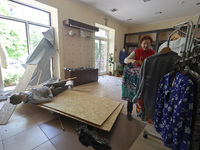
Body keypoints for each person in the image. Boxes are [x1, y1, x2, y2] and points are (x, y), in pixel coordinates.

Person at [122, 35, 155, 120]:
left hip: (146, 78)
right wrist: (132, 60)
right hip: (134, 78)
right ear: (141, 44)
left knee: (144, 96)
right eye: (144, 43)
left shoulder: (153, 53)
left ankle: (141, 113)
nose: (146, 45)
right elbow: (125, 60)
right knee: (132, 94)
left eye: (148, 43)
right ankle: (129, 112)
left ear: (150, 44)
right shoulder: (136, 52)